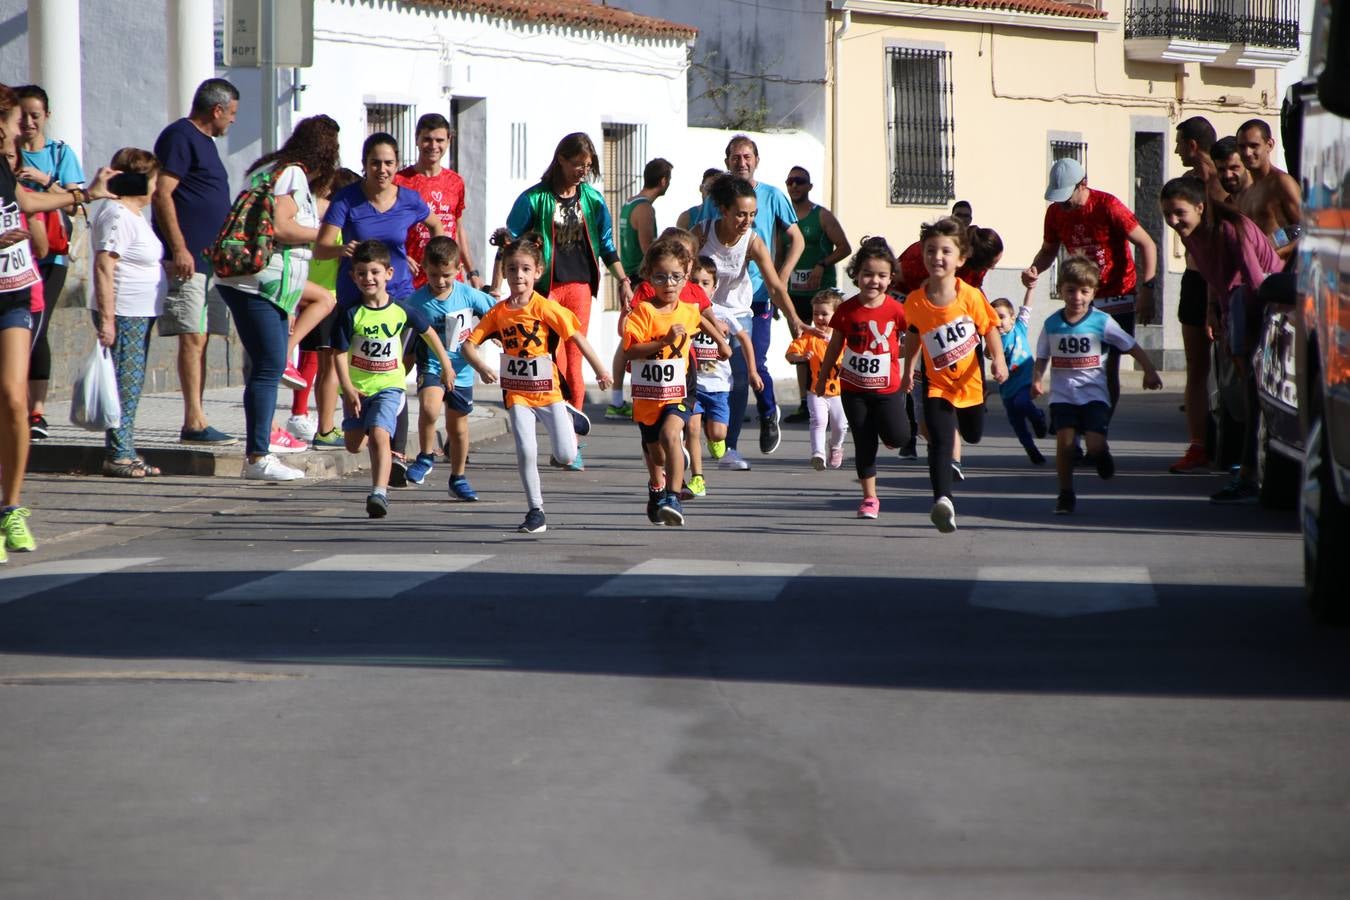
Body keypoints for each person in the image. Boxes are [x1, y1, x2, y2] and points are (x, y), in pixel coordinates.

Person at [0, 82, 119, 562]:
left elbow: (25, 207)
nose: (18, 132)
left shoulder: (7, 168)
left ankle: (11, 509)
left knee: (12, 397)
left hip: (14, 291)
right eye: (12, 122)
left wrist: (82, 195)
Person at [497, 132, 633, 472]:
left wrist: (624, 281)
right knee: (547, 356)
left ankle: (572, 440)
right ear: (561, 160)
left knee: (574, 358)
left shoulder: (593, 200)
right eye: (577, 165)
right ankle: (558, 418)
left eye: (588, 166)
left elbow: (606, 245)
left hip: (580, 287)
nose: (582, 172)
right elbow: (508, 243)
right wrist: (497, 285)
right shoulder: (534, 199)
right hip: (545, 288)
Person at [216, 115, 341, 481]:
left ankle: (261, 448)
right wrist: (318, 234)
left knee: (265, 365)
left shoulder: (275, 170)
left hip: (257, 283)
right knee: (270, 365)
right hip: (259, 282)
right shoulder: (292, 175)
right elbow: (283, 227)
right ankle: (258, 456)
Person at [461, 233, 613, 534]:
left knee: (566, 456)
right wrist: (481, 366)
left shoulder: (545, 307)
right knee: (526, 450)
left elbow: (576, 337)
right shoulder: (498, 312)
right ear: (505, 273)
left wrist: (600, 371)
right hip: (517, 393)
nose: (519, 275)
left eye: (526, 269)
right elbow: (468, 344)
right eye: (513, 269)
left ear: (537, 273)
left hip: (549, 392)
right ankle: (535, 510)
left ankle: (569, 415)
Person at [316, 132, 444, 484]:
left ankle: (396, 453)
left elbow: (436, 227)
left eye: (389, 162)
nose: (382, 169)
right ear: (365, 164)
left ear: (396, 163)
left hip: (397, 296)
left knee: (393, 372)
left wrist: (421, 261)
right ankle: (355, 422)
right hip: (354, 299)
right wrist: (342, 250)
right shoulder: (348, 199)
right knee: (356, 367)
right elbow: (322, 246)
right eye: (375, 163)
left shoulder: (409, 200)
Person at [1160, 176, 1280, 504]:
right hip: (1236, 310)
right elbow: (1216, 277)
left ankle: (1251, 477)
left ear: (1201, 207)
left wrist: (1244, 337)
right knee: (1244, 398)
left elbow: (1256, 283)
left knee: (1257, 398)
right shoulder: (1193, 236)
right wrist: (1218, 314)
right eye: (1167, 214)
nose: (1173, 221)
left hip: (1264, 310)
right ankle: (1248, 474)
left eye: (1179, 213)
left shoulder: (1232, 228)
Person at [1023, 157, 1157, 415]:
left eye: (1067, 196)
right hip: (1082, 294)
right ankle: (1077, 414)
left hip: (1118, 293)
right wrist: (1034, 270)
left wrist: (1148, 290)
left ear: (1082, 184)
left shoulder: (1108, 206)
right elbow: (1048, 250)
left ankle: (1100, 421)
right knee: (1083, 361)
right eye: (1058, 198)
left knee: (1108, 362)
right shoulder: (1055, 213)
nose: (1063, 204)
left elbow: (1147, 243)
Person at [698, 136, 806, 455]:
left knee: (751, 363)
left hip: (754, 298)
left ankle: (766, 415)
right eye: (735, 157)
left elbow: (794, 241)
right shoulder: (709, 215)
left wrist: (786, 290)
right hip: (708, 306)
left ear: (756, 160)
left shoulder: (772, 198)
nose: (741, 162)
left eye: (747, 156)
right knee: (706, 369)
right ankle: (699, 427)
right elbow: (683, 250)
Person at [900, 218, 1009, 534]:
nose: (937, 257)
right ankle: (943, 501)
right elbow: (914, 335)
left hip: (971, 385)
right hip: (937, 386)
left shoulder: (971, 296)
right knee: (940, 441)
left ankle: (966, 430)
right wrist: (909, 370)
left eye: (945, 251)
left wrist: (998, 362)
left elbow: (989, 330)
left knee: (973, 433)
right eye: (930, 250)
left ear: (960, 259)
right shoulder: (916, 301)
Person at [1031, 256, 1164, 514]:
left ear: (1094, 293)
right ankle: (1065, 494)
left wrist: (1149, 370)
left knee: (1094, 445)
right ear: (1061, 290)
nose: (1077, 297)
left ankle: (1103, 456)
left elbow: (1130, 344)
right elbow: (1042, 356)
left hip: (1094, 396)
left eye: (1084, 291)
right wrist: (1037, 379)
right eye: (1071, 290)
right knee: (1065, 446)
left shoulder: (1102, 321)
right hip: (1063, 396)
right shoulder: (1052, 324)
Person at [332, 240, 453, 518]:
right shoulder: (351, 313)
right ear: (353, 277)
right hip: (357, 390)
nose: (368, 278)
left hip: (389, 386)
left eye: (374, 272)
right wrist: (348, 388)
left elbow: (428, 333)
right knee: (353, 444)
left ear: (388, 274)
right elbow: (338, 354)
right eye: (361, 273)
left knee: (379, 435)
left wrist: (446, 365)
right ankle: (367, 434)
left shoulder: (401, 310)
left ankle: (379, 493)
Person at [152, 77, 239, 446]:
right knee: (192, 337)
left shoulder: (205, 143)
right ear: (216, 110)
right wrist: (179, 247)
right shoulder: (180, 137)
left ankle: (198, 417)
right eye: (232, 113)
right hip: (189, 260)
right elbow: (163, 193)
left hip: (210, 262)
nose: (233, 120)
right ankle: (193, 421)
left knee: (201, 338)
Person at [623, 239, 730, 526]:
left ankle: (673, 497)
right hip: (648, 393)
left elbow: (702, 319)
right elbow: (630, 351)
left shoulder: (688, 309)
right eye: (660, 276)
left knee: (672, 435)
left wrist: (722, 342)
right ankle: (656, 487)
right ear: (649, 277)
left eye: (675, 276)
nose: (668, 283)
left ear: (685, 277)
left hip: (680, 388)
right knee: (656, 454)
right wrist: (663, 341)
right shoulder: (643, 312)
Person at [815, 238, 910, 518]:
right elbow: (834, 346)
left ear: (891, 278)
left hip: (888, 388)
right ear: (856, 275)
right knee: (864, 441)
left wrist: (907, 359)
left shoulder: (896, 309)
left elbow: (912, 339)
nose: (874, 281)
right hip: (853, 388)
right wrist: (822, 378)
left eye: (882, 275)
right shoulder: (846, 310)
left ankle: (890, 433)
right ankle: (870, 498)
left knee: (899, 436)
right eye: (868, 274)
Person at [88, 148, 168, 478]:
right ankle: (118, 454)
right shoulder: (118, 214)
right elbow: (104, 264)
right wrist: (108, 319)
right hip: (123, 313)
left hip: (138, 312)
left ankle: (126, 449)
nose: (156, 186)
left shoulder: (133, 215)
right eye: (152, 179)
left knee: (130, 385)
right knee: (124, 383)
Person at [14, 84, 84, 441]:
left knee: (37, 326)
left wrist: (45, 181)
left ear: (47, 117)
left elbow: (76, 204)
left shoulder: (59, 154)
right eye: (21, 114)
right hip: (13, 250)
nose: (27, 122)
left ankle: (36, 410)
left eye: (35, 115)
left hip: (51, 254)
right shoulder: (7, 154)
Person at [403, 235, 497, 498]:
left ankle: (458, 478)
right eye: (434, 275)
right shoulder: (416, 301)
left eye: (446, 275)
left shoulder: (469, 295)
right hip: (431, 364)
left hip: (464, 369)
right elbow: (400, 328)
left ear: (458, 270)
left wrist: (497, 336)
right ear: (424, 268)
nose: (440, 281)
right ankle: (425, 456)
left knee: (458, 430)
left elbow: (496, 316)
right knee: (429, 408)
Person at [1170, 117, 1227, 475]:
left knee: (1231, 365)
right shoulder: (1186, 187)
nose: (1176, 150)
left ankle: (1232, 443)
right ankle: (1198, 445)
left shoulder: (1225, 183)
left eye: (1179, 143)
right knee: (1197, 367)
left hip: (1222, 280)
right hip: (1194, 278)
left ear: (1192, 145)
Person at [783, 166, 851, 424]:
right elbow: (779, 252)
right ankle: (805, 402)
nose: (795, 186)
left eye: (800, 181)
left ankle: (838, 395)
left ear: (809, 186)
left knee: (832, 343)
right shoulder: (785, 217)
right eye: (790, 182)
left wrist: (822, 263)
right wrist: (777, 289)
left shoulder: (821, 215)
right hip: (794, 292)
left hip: (823, 294)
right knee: (802, 344)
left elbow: (845, 247)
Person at [607, 157, 673, 420]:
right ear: (664, 181)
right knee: (631, 341)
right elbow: (648, 249)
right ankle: (621, 400)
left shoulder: (629, 203)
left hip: (631, 277)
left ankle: (618, 398)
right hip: (639, 279)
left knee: (628, 339)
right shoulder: (645, 209)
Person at [302, 166, 360, 450]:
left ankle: (324, 426)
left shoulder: (318, 225)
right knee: (330, 370)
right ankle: (325, 429)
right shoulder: (336, 232)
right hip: (331, 298)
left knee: (325, 368)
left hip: (316, 298)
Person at [394, 112, 482, 290]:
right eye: (427, 139)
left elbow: (458, 228)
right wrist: (399, 256)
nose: (433, 146)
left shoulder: (455, 181)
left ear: (449, 141)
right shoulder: (399, 181)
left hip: (451, 280)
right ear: (416, 139)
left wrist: (472, 272)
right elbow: (389, 227)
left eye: (440, 140)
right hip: (412, 281)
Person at [690, 255, 759, 468]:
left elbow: (744, 338)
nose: (699, 287)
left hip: (719, 385)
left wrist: (752, 371)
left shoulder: (723, 313)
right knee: (690, 428)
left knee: (719, 433)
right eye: (695, 282)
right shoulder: (684, 312)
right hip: (693, 385)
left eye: (705, 283)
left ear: (715, 286)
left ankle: (713, 437)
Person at [786, 288, 847, 470]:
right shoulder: (809, 337)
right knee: (818, 421)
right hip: (816, 390)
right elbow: (790, 354)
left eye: (824, 314)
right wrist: (800, 358)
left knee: (840, 425)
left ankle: (835, 447)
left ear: (837, 315)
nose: (819, 318)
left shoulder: (843, 338)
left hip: (839, 392)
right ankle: (818, 454)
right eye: (816, 314)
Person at [991, 289, 1048, 465]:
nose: (998, 322)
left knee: (1022, 402)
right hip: (1007, 388)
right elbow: (990, 356)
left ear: (1012, 317)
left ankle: (1038, 418)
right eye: (994, 318)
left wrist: (1031, 287)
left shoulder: (1019, 328)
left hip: (1025, 380)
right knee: (1017, 424)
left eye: (1001, 316)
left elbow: (1027, 307)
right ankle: (1031, 450)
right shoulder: (993, 339)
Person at [1234, 119, 1303, 263]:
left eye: (1254, 146)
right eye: (1242, 147)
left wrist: (1275, 255)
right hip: (1254, 276)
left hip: (1282, 275)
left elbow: (1312, 232)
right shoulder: (1244, 192)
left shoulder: (1281, 182)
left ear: (1269, 145)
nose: (1247, 152)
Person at [675, 167, 722, 232]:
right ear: (701, 188)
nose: (712, 193)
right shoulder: (686, 217)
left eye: (717, 190)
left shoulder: (728, 216)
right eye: (709, 188)